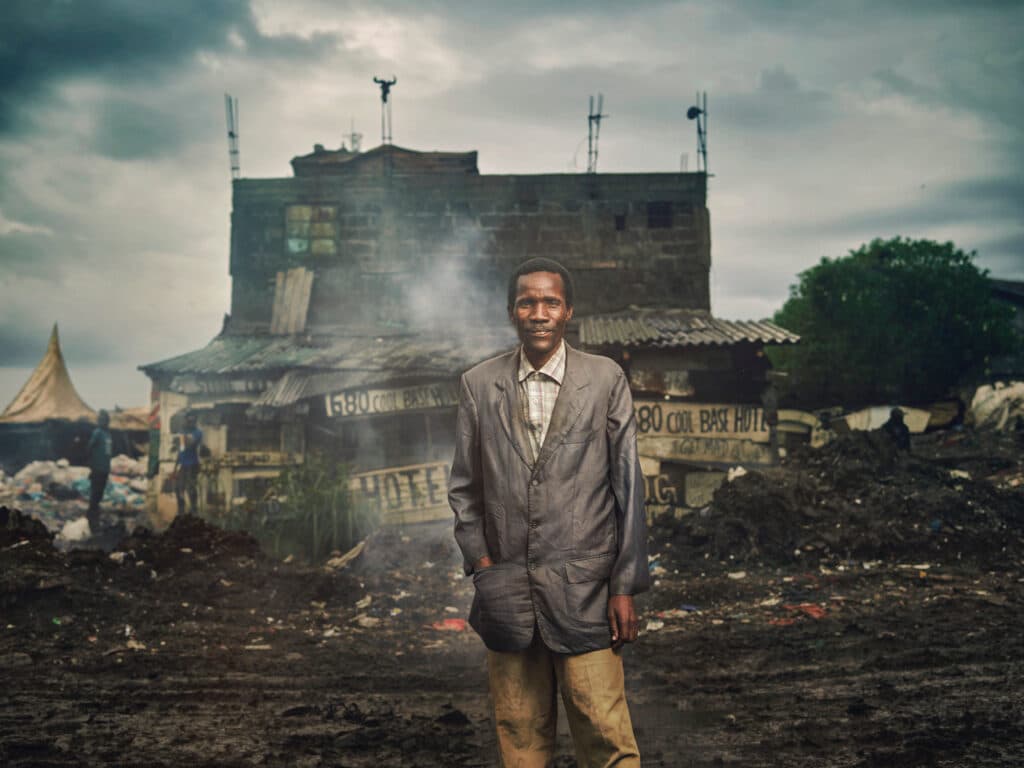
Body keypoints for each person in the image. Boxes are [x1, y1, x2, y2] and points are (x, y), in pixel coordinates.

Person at [449, 257, 649, 767]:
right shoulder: (478, 385)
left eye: (551, 302)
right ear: (512, 312)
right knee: (520, 737)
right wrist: (484, 567)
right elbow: (465, 490)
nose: (540, 312)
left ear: (568, 311)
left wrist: (623, 586)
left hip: (587, 590)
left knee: (605, 733)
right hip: (507, 592)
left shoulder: (605, 379)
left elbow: (628, 486)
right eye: (527, 302)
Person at [86, 409, 112, 531]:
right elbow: (89, 448)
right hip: (97, 469)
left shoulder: (108, 434)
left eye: (105, 419)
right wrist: (92, 465)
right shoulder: (97, 433)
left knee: (99, 494)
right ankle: (91, 519)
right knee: (95, 495)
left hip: (105, 470)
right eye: (101, 419)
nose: (103, 421)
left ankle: (95, 516)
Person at [175, 412, 203, 516]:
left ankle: (194, 510)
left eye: (192, 419)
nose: (189, 421)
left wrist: (182, 439)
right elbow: (180, 448)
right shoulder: (182, 431)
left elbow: (191, 443)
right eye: (188, 419)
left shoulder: (198, 432)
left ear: (194, 421)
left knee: (191, 488)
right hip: (182, 463)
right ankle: (181, 511)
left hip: (192, 464)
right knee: (178, 488)